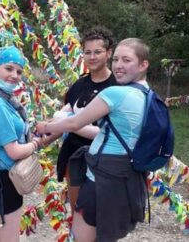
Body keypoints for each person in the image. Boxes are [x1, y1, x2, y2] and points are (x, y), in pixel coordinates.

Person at [36, 38, 150, 242]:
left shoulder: (116, 91)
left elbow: (73, 124)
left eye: (126, 60)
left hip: (102, 173)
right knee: (105, 232)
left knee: (84, 232)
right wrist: (44, 139)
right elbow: (69, 112)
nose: (119, 65)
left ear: (143, 65)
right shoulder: (147, 94)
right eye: (117, 60)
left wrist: (45, 127)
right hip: (121, 172)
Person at [0, 46, 43, 242]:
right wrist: (36, 144)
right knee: (8, 236)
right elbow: (13, 151)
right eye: (9, 68)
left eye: (19, 71)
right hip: (5, 178)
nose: (14, 75)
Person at [51, 27, 117, 214]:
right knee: (78, 211)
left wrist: (69, 124)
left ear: (109, 53)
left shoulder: (118, 87)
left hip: (105, 160)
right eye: (87, 52)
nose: (92, 57)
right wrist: (40, 139)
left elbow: (111, 132)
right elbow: (64, 114)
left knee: (101, 215)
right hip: (74, 156)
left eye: (98, 52)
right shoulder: (80, 84)